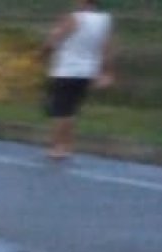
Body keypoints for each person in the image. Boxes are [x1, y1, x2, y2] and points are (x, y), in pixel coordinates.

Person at [42, 0, 115, 160]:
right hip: (88, 70)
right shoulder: (105, 20)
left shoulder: (73, 18)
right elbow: (106, 47)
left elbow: (56, 39)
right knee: (71, 109)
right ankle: (67, 144)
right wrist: (107, 71)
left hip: (66, 69)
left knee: (60, 111)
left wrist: (45, 50)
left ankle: (57, 146)